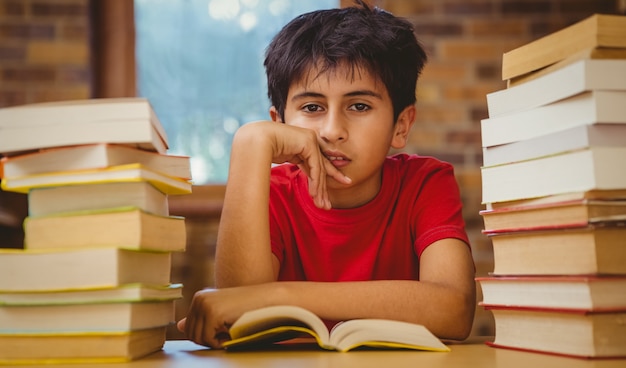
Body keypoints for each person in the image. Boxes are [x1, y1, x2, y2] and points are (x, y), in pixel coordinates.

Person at [177, 0, 476, 349]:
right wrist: (250, 145)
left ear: (401, 125)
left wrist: (281, 295)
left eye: (359, 106)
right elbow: (237, 315)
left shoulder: (425, 182)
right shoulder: (272, 195)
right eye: (312, 107)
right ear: (280, 123)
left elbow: (455, 308)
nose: (332, 130)